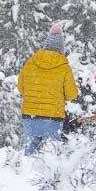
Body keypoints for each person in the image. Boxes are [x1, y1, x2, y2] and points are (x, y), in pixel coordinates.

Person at [17, 24, 78, 155]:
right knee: (50, 154)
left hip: (30, 116)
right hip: (53, 117)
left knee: (30, 151)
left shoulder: (31, 63)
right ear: (61, 48)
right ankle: (48, 176)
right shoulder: (63, 67)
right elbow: (72, 94)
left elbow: (21, 88)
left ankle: (27, 174)